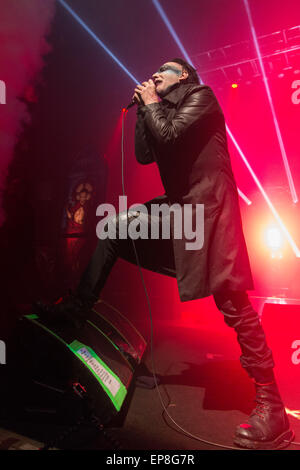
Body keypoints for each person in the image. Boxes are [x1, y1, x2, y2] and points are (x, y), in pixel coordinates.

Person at [35, 58, 294, 450]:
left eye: (163, 71)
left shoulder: (202, 97)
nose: (154, 75)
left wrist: (152, 102)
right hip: (178, 210)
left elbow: (170, 136)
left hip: (207, 216)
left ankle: (272, 407)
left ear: (184, 76)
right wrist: (145, 108)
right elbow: (145, 153)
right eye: (153, 73)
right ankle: (77, 309)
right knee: (115, 231)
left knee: (234, 306)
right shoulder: (163, 106)